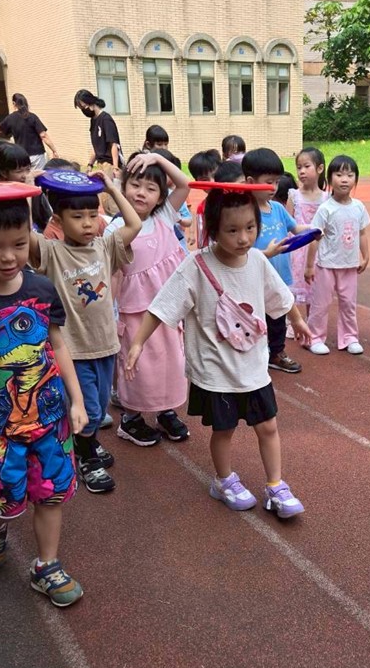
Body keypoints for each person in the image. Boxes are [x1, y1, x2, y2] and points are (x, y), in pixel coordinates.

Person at [125, 185, 311, 518]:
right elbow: (162, 306)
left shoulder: (257, 260)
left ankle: (276, 485)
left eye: (250, 228)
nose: (244, 238)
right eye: (232, 230)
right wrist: (137, 342)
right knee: (223, 430)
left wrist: (297, 321)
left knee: (268, 426)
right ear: (213, 229)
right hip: (216, 372)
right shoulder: (196, 265)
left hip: (254, 368)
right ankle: (223, 480)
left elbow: (279, 296)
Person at [0, 182, 86, 606]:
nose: (9, 256)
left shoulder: (41, 290)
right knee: (3, 501)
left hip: (49, 420)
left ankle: (47, 565)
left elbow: (57, 344)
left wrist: (77, 401)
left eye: (19, 243)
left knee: (52, 492)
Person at [28, 173, 141, 493]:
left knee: (100, 406)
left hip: (105, 344)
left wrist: (112, 189)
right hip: (73, 348)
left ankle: (83, 441)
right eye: (77, 217)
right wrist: (30, 192)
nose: (88, 223)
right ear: (58, 220)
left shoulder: (105, 246)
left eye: (93, 215)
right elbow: (24, 234)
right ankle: (87, 457)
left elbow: (134, 225)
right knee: (89, 408)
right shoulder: (52, 252)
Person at [110, 151, 190, 446]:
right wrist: (111, 315)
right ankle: (131, 419)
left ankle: (165, 411)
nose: (141, 193)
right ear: (123, 188)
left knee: (170, 363)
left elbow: (184, 184)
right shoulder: (116, 229)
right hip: (135, 312)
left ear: (160, 197)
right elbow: (113, 275)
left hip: (168, 311)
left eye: (150, 188)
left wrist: (156, 157)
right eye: (135, 185)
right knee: (138, 368)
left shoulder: (164, 216)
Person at [243, 148, 307, 375]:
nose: (274, 187)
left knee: (278, 316)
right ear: (251, 182)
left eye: (277, 182)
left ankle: (277, 353)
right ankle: (252, 356)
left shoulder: (278, 208)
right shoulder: (245, 212)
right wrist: (266, 254)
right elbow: (242, 250)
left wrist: (313, 230)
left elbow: (296, 228)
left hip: (279, 277)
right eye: (268, 182)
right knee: (255, 320)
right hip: (253, 279)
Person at [305, 155, 370, 356]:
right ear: (329, 178)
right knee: (321, 304)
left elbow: (362, 233)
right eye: (339, 175)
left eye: (350, 175)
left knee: (349, 303)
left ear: (355, 179)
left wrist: (365, 256)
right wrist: (309, 266)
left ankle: (350, 337)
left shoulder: (358, 207)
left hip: (349, 265)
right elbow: (314, 237)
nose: (344, 179)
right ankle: (314, 338)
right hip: (326, 265)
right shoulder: (326, 209)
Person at [287, 147, 328, 320]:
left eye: (306, 166)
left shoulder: (326, 198)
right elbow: (288, 223)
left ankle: (312, 322)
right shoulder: (294, 195)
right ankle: (292, 322)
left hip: (318, 250)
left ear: (320, 168)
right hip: (297, 249)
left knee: (314, 289)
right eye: (299, 167)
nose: (302, 171)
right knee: (293, 288)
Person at [73, 90, 123, 216]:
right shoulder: (94, 121)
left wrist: (115, 167)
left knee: (113, 201)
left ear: (91, 103)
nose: (84, 110)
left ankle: (118, 223)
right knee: (104, 200)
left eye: (84, 107)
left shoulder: (106, 119)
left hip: (110, 164)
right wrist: (90, 164)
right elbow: (96, 147)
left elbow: (113, 144)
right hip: (101, 164)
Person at [0, 142, 52, 233]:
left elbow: (48, 221)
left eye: (28, 169)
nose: (25, 175)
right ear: (3, 173)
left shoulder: (36, 193)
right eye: (19, 171)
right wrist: (28, 191)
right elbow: (26, 229)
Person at [0, 93, 58, 170]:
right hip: (37, 155)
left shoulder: (11, 118)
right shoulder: (32, 117)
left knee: (24, 176)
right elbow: (43, 135)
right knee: (38, 176)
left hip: (22, 156)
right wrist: (54, 150)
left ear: (14, 103)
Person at [190, 150, 221, 249]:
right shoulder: (202, 208)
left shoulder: (236, 200)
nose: (212, 182)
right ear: (197, 183)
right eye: (205, 179)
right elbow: (202, 240)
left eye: (215, 176)